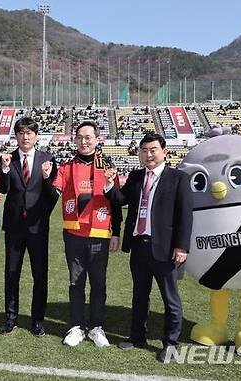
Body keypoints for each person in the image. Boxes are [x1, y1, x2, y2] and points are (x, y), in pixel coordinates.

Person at [104, 133, 193, 362]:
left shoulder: (178, 178)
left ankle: (171, 343)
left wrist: (182, 247)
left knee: (170, 299)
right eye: (144, 150)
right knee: (139, 296)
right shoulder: (135, 176)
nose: (148, 154)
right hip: (139, 247)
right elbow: (120, 200)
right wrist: (109, 183)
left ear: (164, 152)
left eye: (153, 149)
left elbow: (185, 216)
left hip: (165, 249)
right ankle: (137, 337)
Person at [45, 120, 122, 348]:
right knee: (75, 283)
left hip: (99, 234)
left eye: (88, 137)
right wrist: (48, 178)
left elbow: (116, 203)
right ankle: (77, 326)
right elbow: (52, 197)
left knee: (98, 284)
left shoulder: (107, 166)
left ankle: (97, 327)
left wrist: (115, 232)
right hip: (74, 235)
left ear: (97, 139)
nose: (84, 141)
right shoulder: (67, 168)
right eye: (80, 137)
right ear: (75, 140)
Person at [0, 117, 58, 337]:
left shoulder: (47, 159)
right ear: (16, 135)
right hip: (14, 227)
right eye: (21, 132)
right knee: (11, 273)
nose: (25, 137)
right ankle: (11, 318)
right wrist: (3, 170)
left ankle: (37, 320)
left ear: (36, 136)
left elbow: (53, 197)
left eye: (29, 133)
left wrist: (46, 178)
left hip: (38, 228)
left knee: (39, 275)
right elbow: (3, 189)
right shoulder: (8, 159)